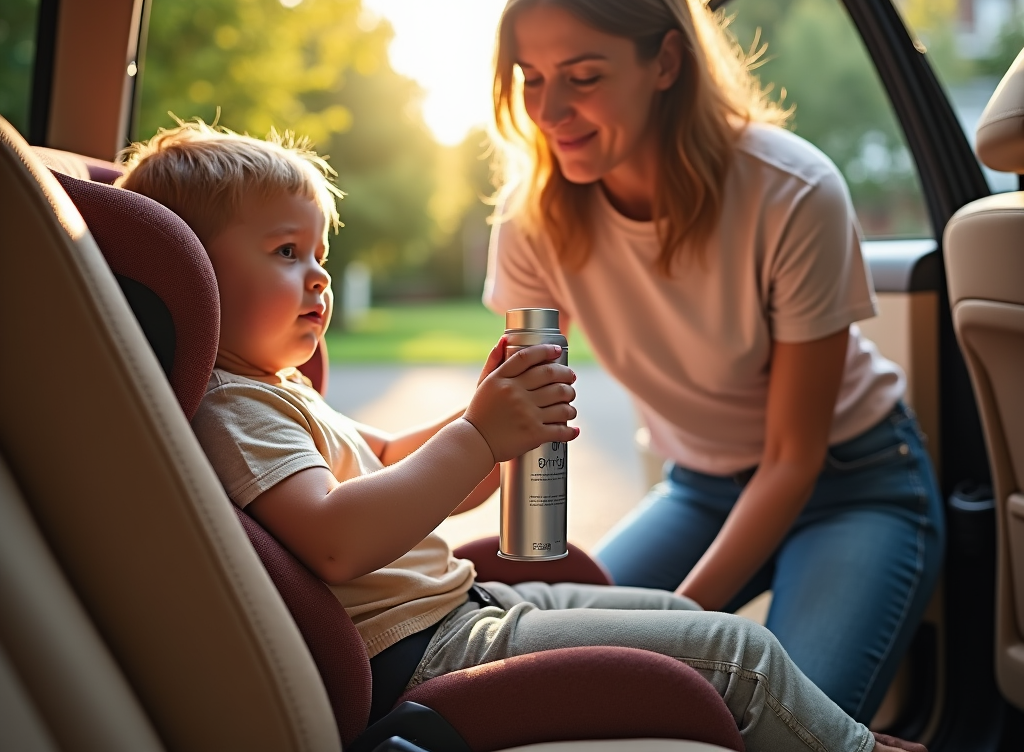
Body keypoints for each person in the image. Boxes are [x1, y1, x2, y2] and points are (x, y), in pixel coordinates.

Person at [117, 119, 923, 752]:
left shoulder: (280, 392)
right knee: (741, 656)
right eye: (286, 252)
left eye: (321, 253)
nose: (320, 276)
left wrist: (492, 416)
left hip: (466, 608)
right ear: (196, 279)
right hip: (430, 650)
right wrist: (478, 431)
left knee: (671, 613)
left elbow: (400, 463)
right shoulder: (234, 410)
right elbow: (334, 542)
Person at [482, 0, 945, 724]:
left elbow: (793, 459)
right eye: (530, 78)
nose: (548, 109)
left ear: (666, 61)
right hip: (699, 486)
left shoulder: (792, 190)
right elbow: (516, 429)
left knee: (787, 725)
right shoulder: (532, 222)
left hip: (853, 483)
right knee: (561, 678)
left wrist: (674, 630)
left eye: (584, 75)